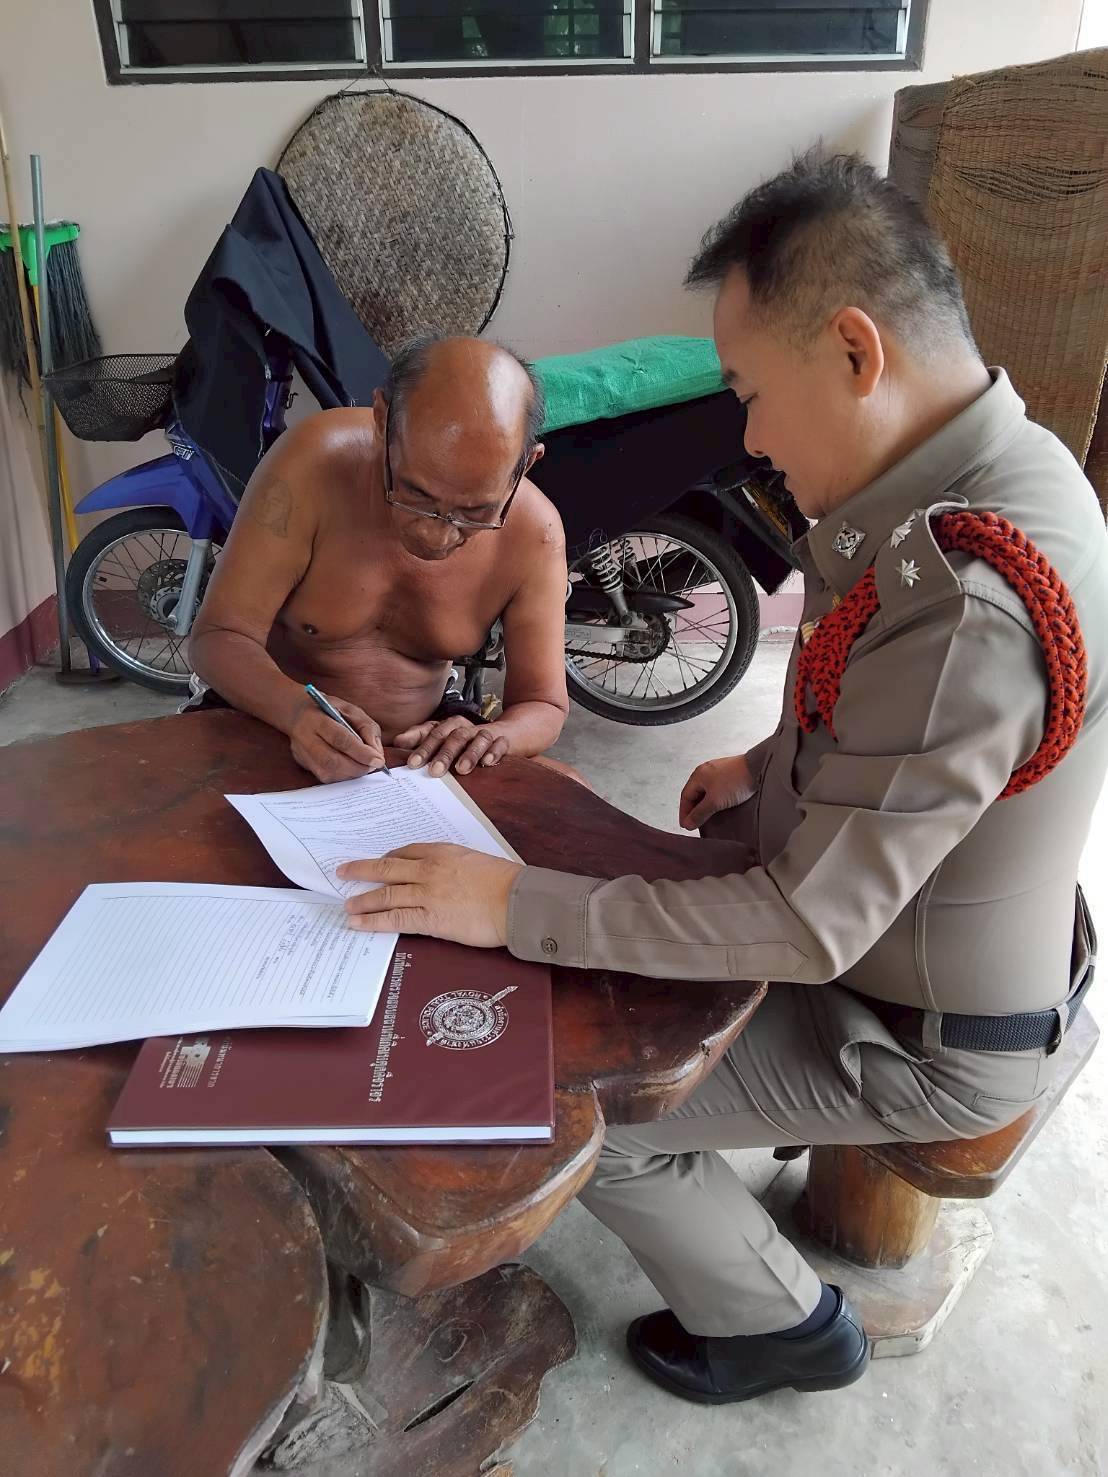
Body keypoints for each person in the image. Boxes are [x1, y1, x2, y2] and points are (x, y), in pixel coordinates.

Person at [334, 154, 1108, 1403]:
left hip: (912, 1025)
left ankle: (784, 1325)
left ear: (853, 352)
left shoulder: (969, 595)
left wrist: (504, 902)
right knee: (594, 915)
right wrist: (766, 758)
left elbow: (807, 922)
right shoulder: (999, 472)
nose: (748, 434)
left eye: (749, 392)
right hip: (917, 934)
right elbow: (917, 721)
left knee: (584, 1102)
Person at [189, 336, 570, 783]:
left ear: (526, 465)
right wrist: (295, 711)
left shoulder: (535, 532)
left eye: (475, 513)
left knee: (567, 799)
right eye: (415, 494)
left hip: (417, 756)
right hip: (268, 718)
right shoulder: (314, 463)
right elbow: (218, 636)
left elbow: (543, 704)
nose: (436, 535)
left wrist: (493, 736)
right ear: (382, 421)